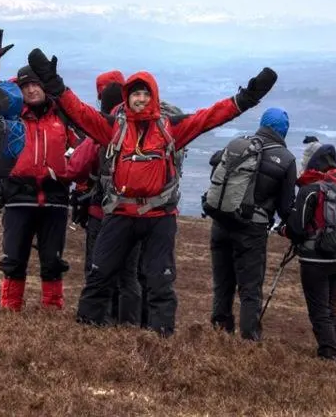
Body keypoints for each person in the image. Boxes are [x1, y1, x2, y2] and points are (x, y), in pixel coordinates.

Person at [26, 48, 278, 336]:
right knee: (99, 276)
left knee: (160, 282)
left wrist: (247, 97)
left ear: (154, 96)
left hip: (160, 217)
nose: (141, 99)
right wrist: (53, 83)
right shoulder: (112, 128)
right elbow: (79, 111)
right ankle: (86, 336)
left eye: (146, 94)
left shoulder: (171, 128)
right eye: (135, 94)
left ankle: (160, 342)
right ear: (127, 97)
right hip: (120, 213)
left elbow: (211, 117)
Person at [0, 64, 82, 311]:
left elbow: (83, 150)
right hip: (18, 199)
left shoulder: (62, 116)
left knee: (52, 262)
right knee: (14, 260)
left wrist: (70, 174)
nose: (32, 90)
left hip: (55, 200)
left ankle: (52, 314)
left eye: (36, 84)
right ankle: (10, 311)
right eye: (25, 86)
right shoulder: (10, 116)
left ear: (44, 87)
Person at [205, 107, 297, 340]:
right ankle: (249, 342)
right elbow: (286, 208)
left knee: (222, 285)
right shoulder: (286, 160)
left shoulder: (238, 144)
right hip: (251, 230)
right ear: (284, 130)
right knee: (250, 290)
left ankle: (218, 336)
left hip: (221, 223)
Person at [68, 72, 144, 325]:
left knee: (98, 270)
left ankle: (97, 322)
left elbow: (77, 166)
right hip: (139, 214)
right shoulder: (144, 125)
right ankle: (130, 325)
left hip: (102, 214)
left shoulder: (104, 127)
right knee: (130, 275)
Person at [291, 137, 336, 361]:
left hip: (314, 260)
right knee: (330, 307)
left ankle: (328, 355)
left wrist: (286, 231)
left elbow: (297, 228)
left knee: (318, 309)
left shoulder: (310, 191)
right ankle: (332, 348)